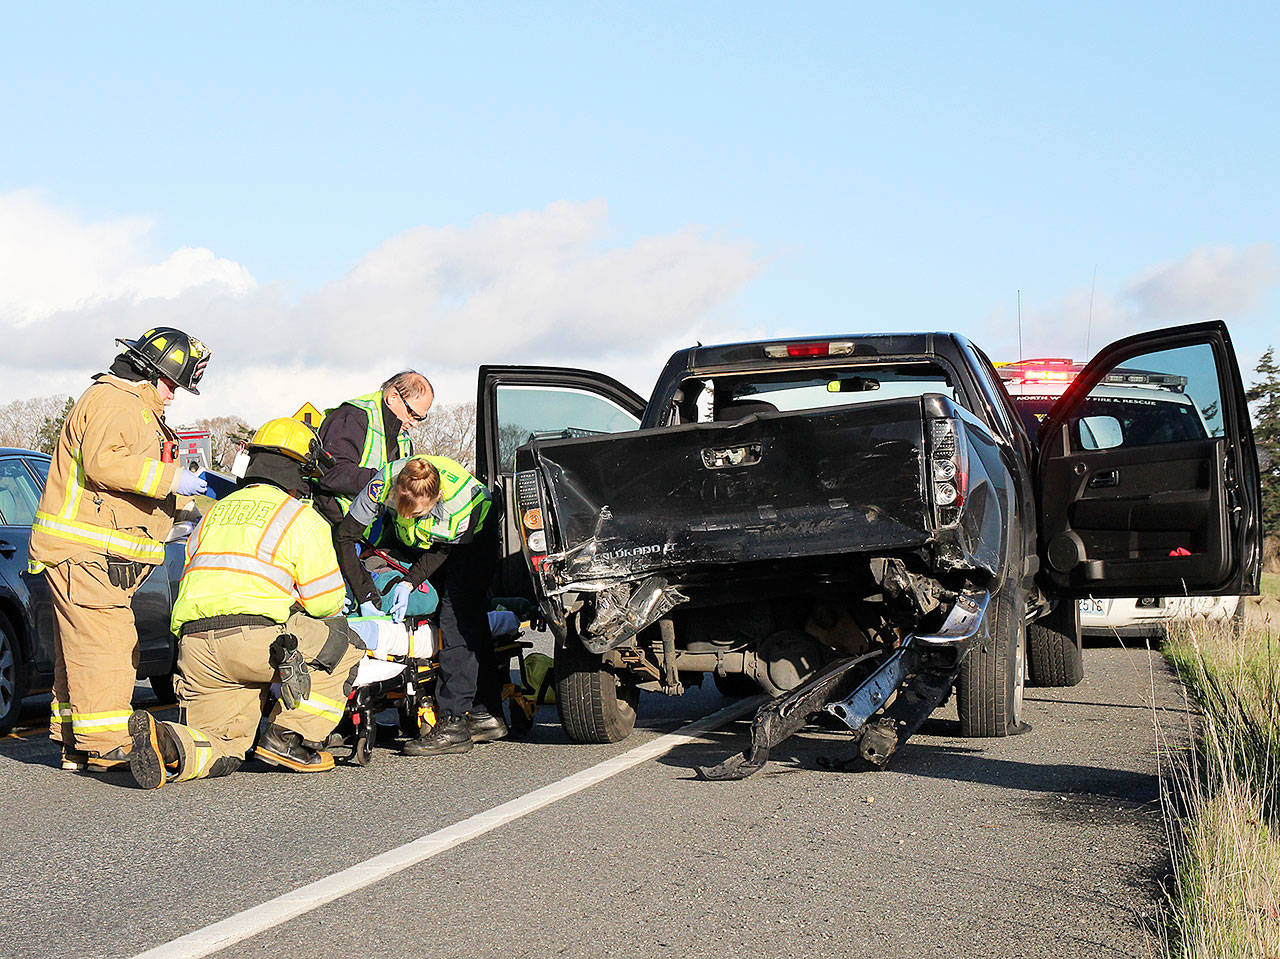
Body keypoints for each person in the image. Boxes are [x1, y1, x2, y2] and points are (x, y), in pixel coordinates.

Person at [127, 418, 367, 789]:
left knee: (226, 744)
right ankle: (290, 740)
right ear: (305, 472)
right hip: (259, 644)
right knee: (345, 644)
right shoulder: (302, 518)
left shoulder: (214, 514)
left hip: (196, 649)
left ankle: (171, 745)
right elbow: (326, 604)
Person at [28, 327, 211, 773]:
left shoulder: (130, 406)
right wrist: (173, 481)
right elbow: (106, 463)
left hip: (89, 554)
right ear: (150, 372)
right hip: (84, 553)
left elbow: (123, 483)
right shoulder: (116, 401)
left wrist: (182, 508)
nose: (173, 396)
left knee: (84, 649)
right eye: (172, 384)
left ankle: (75, 741)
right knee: (108, 645)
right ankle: (107, 744)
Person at [334, 454, 504, 755]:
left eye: (418, 514)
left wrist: (409, 582)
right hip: (417, 539)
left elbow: (441, 553)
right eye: (405, 510)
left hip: (474, 539)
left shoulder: (458, 507)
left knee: (459, 614)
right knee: (454, 610)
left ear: (435, 500)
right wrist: (366, 595)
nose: (410, 516)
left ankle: (454, 723)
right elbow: (346, 536)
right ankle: (485, 713)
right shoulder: (384, 482)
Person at [312, 371, 433, 523]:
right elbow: (329, 472)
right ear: (393, 397)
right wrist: (383, 482)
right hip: (334, 523)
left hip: (369, 531)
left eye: (420, 419)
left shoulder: (403, 438)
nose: (414, 423)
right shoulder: (353, 417)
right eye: (412, 413)